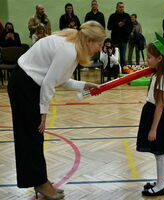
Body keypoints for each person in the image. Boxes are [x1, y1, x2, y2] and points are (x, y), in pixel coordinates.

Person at [7, 21, 106, 200]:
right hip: (25, 84)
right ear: (90, 40)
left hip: (29, 83)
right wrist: (43, 113)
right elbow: (49, 83)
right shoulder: (69, 50)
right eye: (99, 44)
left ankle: (39, 180)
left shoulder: (73, 47)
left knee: (33, 136)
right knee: (32, 135)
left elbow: (61, 79)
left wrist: (85, 85)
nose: (99, 49)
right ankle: (40, 182)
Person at [137, 33, 164, 197]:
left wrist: (153, 129)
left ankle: (161, 185)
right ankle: (160, 181)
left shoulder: (163, 77)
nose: (147, 60)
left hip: (157, 118)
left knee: (159, 154)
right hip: (152, 113)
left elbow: (160, 105)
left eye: (149, 57)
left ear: (160, 59)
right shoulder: (157, 74)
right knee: (156, 152)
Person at [107, 2, 133, 67]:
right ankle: (115, 71)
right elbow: (109, 27)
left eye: (122, 7)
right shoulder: (112, 16)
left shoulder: (127, 16)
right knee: (115, 57)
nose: (121, 8)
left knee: (123, 57)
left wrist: (127, 33)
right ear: (116, 8)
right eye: (120, 7)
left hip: (124, 40)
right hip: (115, 40)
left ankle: (123, 72)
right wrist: (117, 25)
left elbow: (131, 27)